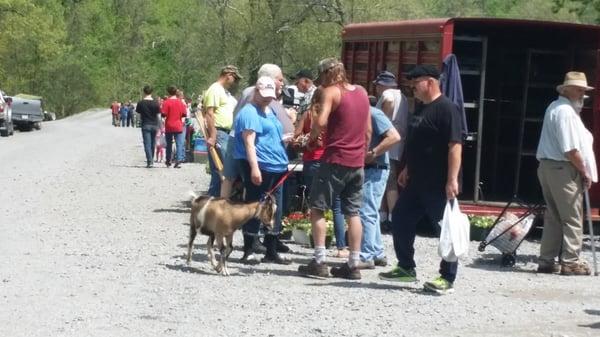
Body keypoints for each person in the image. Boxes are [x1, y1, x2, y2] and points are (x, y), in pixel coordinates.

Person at [378, 65, 463, 295]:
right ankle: (406, 267)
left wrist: (452, 179)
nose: (412, 87)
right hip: (416, 180)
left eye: (416, 83)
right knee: (401, 220)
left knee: (445, 229)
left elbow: (455, 146)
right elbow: (417, 142)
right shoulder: (421, 108)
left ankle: (447, 277)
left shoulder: (447, 109)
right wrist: (407, 167)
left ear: (430, 82)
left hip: (438, 183)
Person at [297, 58, 371, 280]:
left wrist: (311, 138)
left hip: (335, 158)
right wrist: (362, 152)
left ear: (327, 74)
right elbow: (368, 130)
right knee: (353, 212)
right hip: (357, 161)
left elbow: (320, 121)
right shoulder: (362, 93)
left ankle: (319, 261)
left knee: (318, 207)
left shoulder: (331, 92)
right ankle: (353, 264)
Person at [535, 71, 597, 276]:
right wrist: (584, 171)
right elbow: (570, 149)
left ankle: (546, 259)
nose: (582, 94)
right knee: (572, 216)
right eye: (578, 89)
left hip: (549, 167)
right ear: (567, 89)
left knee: (554, 216)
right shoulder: (566, 112)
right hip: (562, 168)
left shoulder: (557, 108)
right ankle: (571, 261)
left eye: (583, 90)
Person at [233, 76, 291, 265]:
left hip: (277, 166)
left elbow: (272, 135)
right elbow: (249, 142)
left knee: (275, 208)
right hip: (261, 165)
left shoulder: (269, 111)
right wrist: (255, 168)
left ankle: (271, 249)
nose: (267, 98)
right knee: (255, 206)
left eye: (270, 95)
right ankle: (248, 249)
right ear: (255, 92)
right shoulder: (249, 112)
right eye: (264, 94)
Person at [293, 88, 348, 258]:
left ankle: (318, 245)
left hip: (312, 161)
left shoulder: (309, 115)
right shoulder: (335, 115)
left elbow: (296, 137)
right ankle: (341, 247)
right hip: (332, 161)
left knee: (316, 205)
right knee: (337, 204)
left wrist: (305, 140)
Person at [355, 106, 400, 269]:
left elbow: (394, 137)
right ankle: (377, 253)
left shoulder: (373, 113)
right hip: (373, 168)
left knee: (366, 211)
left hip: (376, 168)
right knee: (370, 211)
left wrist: (373, 153)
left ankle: (366, 256)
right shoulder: (366, 112)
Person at [372, 71, 409, 232]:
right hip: (398, 142)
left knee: (388, 179)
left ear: (382, 85)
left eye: (377, 85)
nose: (377, 89)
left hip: (387, 142)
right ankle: (385, 216)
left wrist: (383, 122)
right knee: (388, 180)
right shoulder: (404, 97)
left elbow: (388, 100)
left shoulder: (388, 94)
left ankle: (391, 218)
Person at [202, 65, 241, 196]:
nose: (234, 82)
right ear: (228, 75)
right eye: (234, 78)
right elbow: (209, 113)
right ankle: (213, 201)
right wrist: (213, 136)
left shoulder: (224, 92)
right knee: (224, 169)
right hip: (219, 132)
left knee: (220, 171)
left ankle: (212, 200)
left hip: (226, 132)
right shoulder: (215, 89)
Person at [161, 85, 188, 168]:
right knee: (179, 144)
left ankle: (168, 160)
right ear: (176, 92)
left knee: (169, 144)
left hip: (169, 125)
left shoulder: (166, 102)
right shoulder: (180, 102)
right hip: (178, 125)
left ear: (168, 92)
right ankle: (179, 160)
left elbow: (163, 114)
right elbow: (184, 114)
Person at [136, 86, 161, 168]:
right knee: (153, 143)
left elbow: (138, 114)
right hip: (154, 124)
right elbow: (158, 114)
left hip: (145, 124)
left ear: (144, 92)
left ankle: (149, 161)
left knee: (147, 143)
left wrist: (138, 122)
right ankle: (152, 159)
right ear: (151, 92)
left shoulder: (141, 103)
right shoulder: (156, 103)